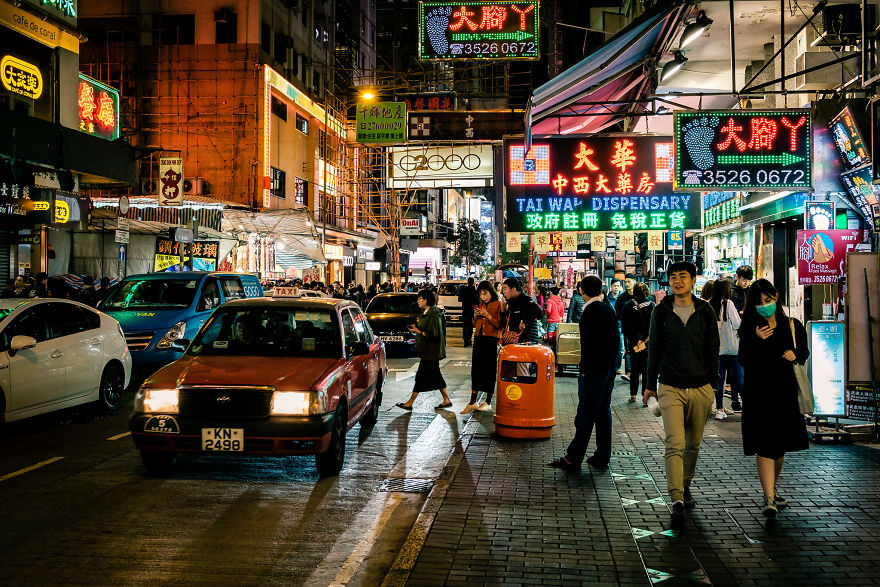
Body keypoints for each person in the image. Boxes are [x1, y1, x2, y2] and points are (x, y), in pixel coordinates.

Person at [643, 261, 719, 532]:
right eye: (673, 277)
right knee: (674, 444)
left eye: (682, 277)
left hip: (700, 387)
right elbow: (654, 349)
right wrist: (649, 385)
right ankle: (676, 498)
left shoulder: (706, 310)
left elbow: (713, 350)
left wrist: (713, 387)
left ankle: (685, 486)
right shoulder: (661, 311)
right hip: (671, 386)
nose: (677, 281)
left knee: (693, 445)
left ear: (693, 280)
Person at [738, 279, 809, 517]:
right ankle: (769, 497)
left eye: (767, 301)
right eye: (758, 303)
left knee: (780, 446)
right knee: (765, 444)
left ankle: (773, 490)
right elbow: (744, 359)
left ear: (776, 297)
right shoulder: (749, 327)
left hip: (786, 392)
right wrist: (758, 340)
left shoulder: (792, 325)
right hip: (758, 393)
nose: (763, 306)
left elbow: (804, 352)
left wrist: (795, 353)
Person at [548, 276, 619, 471]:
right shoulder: (608, 308)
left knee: (586, 413)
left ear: (582, 291)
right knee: (603, 412)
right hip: (609, 368)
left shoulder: (589, 311)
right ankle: (602, 455)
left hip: (594, 370)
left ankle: (573, 457)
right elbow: (615, 342)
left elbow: (588, 344)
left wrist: (585, 369)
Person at [395, 289, 452, 411]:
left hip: (431, 352)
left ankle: (410, 403)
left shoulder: (433, 314)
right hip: (428, 351)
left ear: (426, 300)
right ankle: (446, 400)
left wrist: (418, 331)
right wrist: (416, 328)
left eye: (420, 298)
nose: (418, 301)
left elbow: (434, 334)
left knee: (420, 377)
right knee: (436, 376)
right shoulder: (426, 313)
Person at [461, 281, 502, 414]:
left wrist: (488, 315)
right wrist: (475, 315)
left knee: (489, 370)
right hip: (478, 338)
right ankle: (473, 401)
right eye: (481, 294)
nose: (483, 296)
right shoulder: (481, 304)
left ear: (491, 292)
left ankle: (488, 401)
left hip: (491, 340)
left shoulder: (498, 304)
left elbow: (499, 324)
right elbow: (475, 323)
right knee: (476, 369)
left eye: (485, 293)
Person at [710, 279, 743, 418]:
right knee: (740, 376)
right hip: (732, 348)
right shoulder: (727, 303)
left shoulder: (709, 304)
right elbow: (737, 324)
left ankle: (719, 409)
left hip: (717, 348)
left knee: (720, 378)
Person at [621, 282, 654, 404]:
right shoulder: (652, 305)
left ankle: (633, 394)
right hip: (648, 342)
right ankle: (645, 397)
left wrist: (636, 337)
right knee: (646, 369)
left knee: (635, 368)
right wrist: (646, 337)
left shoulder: (627, 306)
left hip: (634, 342)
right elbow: (654, 326)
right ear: (646, 292)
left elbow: (625, 327)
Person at [500, 278, 543, 344]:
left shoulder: (525, 300)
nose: (503, 291)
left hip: (528, 342)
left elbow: (539, 312)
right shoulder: (511, 303)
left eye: (505, 289)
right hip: (517, 341)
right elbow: (505, 323)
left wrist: (524, 321)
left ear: (513, 289)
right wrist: (503, 311)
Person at [458, 277, 479, 347]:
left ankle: (466, 341)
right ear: (473, 282)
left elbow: (459, 299)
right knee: (470, 325)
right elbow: (477, 301)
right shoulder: (475, 291)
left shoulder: (463, 290)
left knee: (465, 326)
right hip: (471, 310)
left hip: (465, 309)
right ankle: (469, 340)